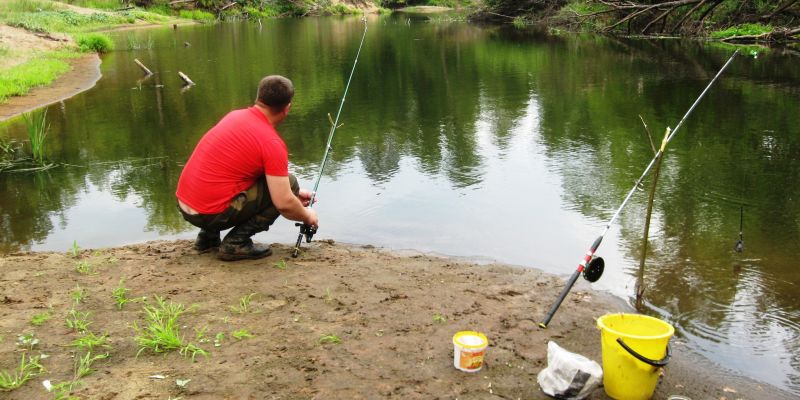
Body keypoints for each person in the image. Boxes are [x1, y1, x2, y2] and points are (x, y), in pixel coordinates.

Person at [176, 75, 319, 261]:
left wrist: (295, 195)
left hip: (185, 204)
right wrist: (308, 216)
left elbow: (245, 172)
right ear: (287, 108)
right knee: (290, 183)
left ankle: (207, 238)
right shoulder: (271, 142)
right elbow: (283, 203)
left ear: (258, 98)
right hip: (208, 213)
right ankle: (235, 243)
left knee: (284, 187)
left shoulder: (234, 116)